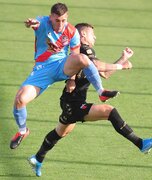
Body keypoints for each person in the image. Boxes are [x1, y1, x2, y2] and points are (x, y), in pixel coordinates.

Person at [27, 23, 152, 177]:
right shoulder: (84, 49)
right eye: (92, 34)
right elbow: (97, 65)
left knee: (61, 132)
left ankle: (37, 158)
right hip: (73, 102)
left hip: (70, 101)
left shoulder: (84, 51)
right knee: (109, 111)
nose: (95, 37)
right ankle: (141, 143)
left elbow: (104, 74)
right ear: (83, 36)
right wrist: (122, 66)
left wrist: (123, 59)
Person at [10, 3, 123, 149]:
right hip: (42, 71)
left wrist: (71, 79)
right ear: (51, 18)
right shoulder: (43, 22)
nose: (60, 24)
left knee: (83, 58)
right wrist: (31, 24)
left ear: (67, 18)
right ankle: (23, 131)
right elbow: (36, 23)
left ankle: (101, 91)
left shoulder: (71, 32)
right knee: (20, 100)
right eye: (57, 21)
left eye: (63, 20)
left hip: (61, 66)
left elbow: (75, 57)